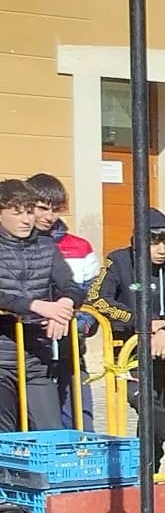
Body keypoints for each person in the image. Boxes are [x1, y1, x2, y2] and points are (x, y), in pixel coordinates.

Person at [87, 208, 165, 473]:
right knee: (141, 399)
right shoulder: (118, 261)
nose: (162, 250)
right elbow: (97, 298)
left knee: (160, 409)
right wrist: (140, 322)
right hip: (127, 351)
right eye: (154, 243)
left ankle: (148, 475)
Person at [0, 179, 90, 433]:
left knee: (51, 430)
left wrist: (63, 306)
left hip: (35, 355)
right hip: (2, 355)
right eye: (17, 212)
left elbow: (70, 285)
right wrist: (36, 306)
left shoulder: (46, 246)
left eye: (30, 211)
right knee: (6, 437)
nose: (26, 220)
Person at [26, 173, 97, 429]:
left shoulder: (79, 247)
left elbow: (92, 294)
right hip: (29, 348)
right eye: (43, 208)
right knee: (37, 424)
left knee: (81, 421)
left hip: (71, 347)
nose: (50, 216)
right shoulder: (15, 245)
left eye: (56, 209)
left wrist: (81, 323)